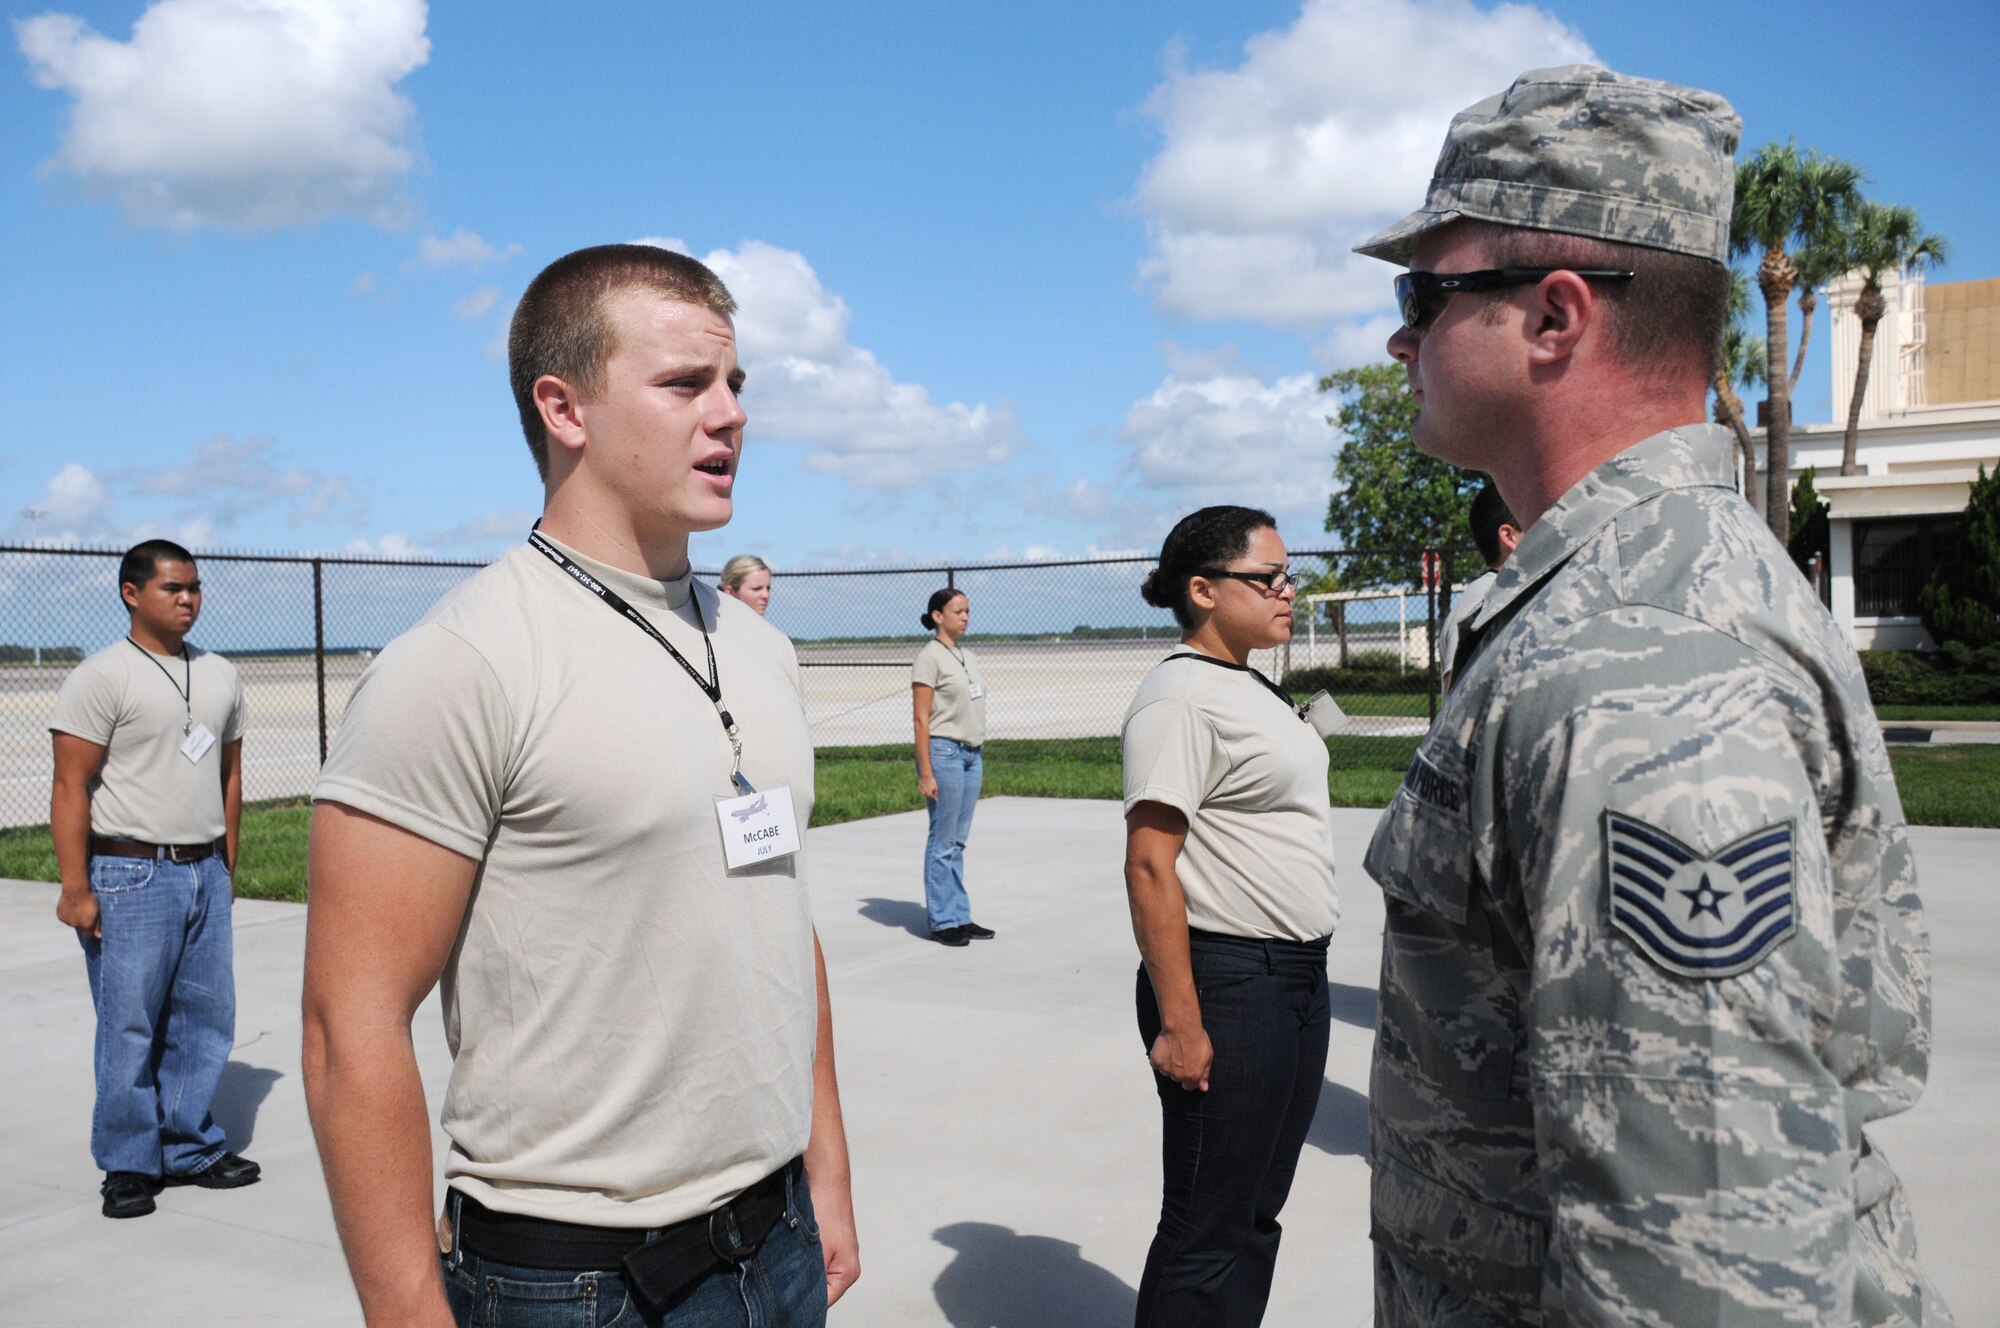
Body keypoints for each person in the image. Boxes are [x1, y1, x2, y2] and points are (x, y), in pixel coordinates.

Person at [1353, 66, 1951, 1324]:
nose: (1401, 336)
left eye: (1426, 290)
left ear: (1553, 318)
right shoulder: (1625, 595)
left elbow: (1705, 1256)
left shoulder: (1633, 665)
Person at [302, 244, 858, 1327]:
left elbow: (783, 921)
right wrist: (408, 1309)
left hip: (776, 1237)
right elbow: (346, 1022)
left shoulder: (755, 647)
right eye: (686, 383)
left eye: (736, 383)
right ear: (564, 407)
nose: (731, 413)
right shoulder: (462, 661)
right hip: (578, 1282)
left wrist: (823, 1167)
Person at [1121, 506, 1338, 1327]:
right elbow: (1150, 863)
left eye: (1289, 576)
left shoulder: (1245, 683)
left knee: (1253, 1215)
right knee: (1208, 1226)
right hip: (1230, 981)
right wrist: (1181, 1022)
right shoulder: (1179, 696)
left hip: (1295, 977)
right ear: (1204, 591)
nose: (1288, 592)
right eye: (1269, 578)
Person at [49, 538, 259, 1220]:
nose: (189, 599)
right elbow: (70, 785)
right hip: (129, 872)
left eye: (195, 587)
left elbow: (229, 773)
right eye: (173, 588)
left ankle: (190, 1146)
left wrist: (226, 864)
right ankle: (130, 1162)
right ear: (131, 593)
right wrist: (76, 888)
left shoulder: (222, 673)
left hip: (203, 870)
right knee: (130, 1024)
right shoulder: (102, 677)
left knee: (205, 1020)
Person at [911, 587, 994, 946]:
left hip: (971, 755)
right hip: (943, 754)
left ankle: (960, 915)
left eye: (968, 610)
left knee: (958, 841)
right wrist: (926, 772)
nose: (965, 616)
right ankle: (943, 920)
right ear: (937, 616)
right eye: (958, 611)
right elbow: (920, 719)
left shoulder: (966, 655)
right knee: (943, 839)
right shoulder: (929, 657)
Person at [1436, 481, 1520, 695]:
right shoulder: (1482, 605)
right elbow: (1456, 700)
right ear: (1509, 536)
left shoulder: (1500, 595)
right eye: (1537, 523)